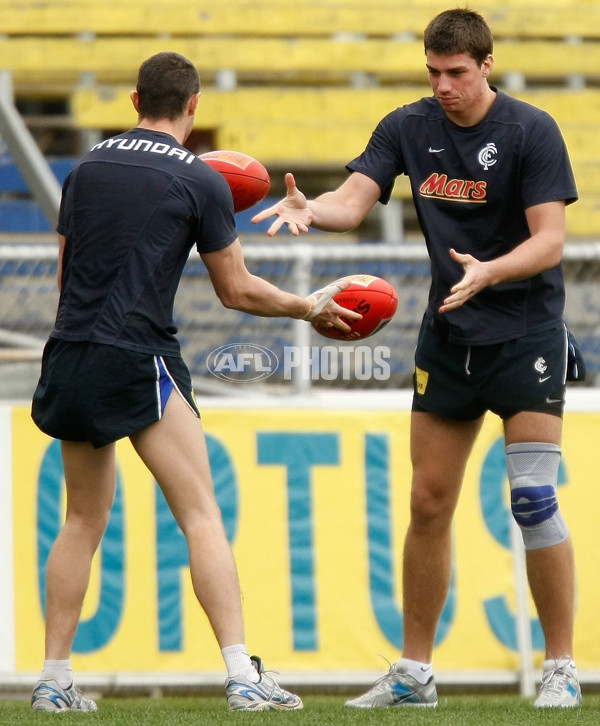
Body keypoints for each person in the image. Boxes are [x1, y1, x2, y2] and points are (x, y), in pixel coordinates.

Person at [253, 8, 583, 709]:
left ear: (486, 66)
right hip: (449, 336)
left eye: (456, 74)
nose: (443, 86)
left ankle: (560, 666)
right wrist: (312, 208)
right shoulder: (408, 126)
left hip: (526, 333)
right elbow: (354, 200)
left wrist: (490, 272)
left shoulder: (532, 131)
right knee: (427, 503)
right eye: (433, 73)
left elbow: (550, 240)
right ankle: (415, 673)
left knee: (532, 499)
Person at [29, 51, 359, 713]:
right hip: (138, 356)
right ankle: (242, 674)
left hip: (70, 352)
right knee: (201, 513)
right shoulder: (201, 179)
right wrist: (308, 304)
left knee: (80, 519)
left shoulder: (85, 168)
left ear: (132, 101)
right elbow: (235, 291)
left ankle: (54, 678)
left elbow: (67, 280)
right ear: (193, 105)